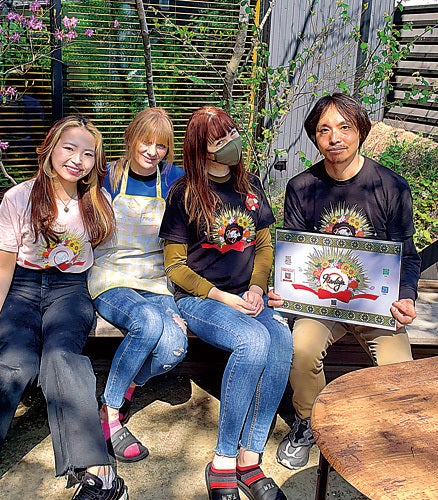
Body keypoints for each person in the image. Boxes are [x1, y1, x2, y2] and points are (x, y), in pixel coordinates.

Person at [0, 115, 128, 500]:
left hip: (71, 291)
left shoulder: (98, 203)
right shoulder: (19, 197)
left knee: (61, 359)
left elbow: (107, 259)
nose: (77, 160)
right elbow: (3, 266)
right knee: (16, 363)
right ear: (50, 149)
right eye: (69, 148)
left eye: (88, 154)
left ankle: (100, 473)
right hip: (23, 287)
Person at [269, 93, 421, 470]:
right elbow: (294, 254)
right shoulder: (302, 187)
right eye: (324, 130)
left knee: (400, 372)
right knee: (302, 349)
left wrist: (406, 297)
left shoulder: (391, 187)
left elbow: (408, 254)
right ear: (315, 138)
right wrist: (284, 289)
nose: (334, 137)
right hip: (321, 303)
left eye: (344, 127)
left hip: (376, 305)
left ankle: (387, 435)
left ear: (360, 132)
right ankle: (308, 422)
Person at [159, 105, 292, 500]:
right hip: (200, 299)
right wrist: (224, 298)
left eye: (232, 132)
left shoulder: (250, 186)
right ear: (201, 148)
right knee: (253, 341)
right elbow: (175, 267)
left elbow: (264, 245)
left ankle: (250, 458)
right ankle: (223, 460)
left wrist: (257, 288)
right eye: (220, 139)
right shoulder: (184, 194)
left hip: (248, 296)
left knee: (280, 339)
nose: (233, 142)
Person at [88, 107, 188, 462]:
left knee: (173, 349)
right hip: (111, 275)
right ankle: (110, 412)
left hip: (156, 279)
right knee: (146, 322)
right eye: (146, 142)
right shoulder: (107, 176)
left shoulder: (174, 178)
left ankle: (125, 385)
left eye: (161, 146)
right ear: (130, 138)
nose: (152, 152)